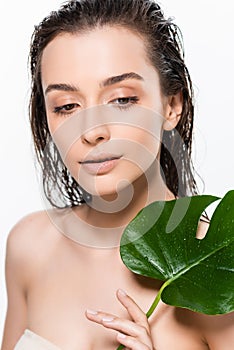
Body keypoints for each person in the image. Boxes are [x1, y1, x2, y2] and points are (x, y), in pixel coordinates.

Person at [1, 0, 233, 349]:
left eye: (122, 99)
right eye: (66, 106)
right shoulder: (29, 247)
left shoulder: (217, 268)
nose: (92, 130)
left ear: (172, 106)